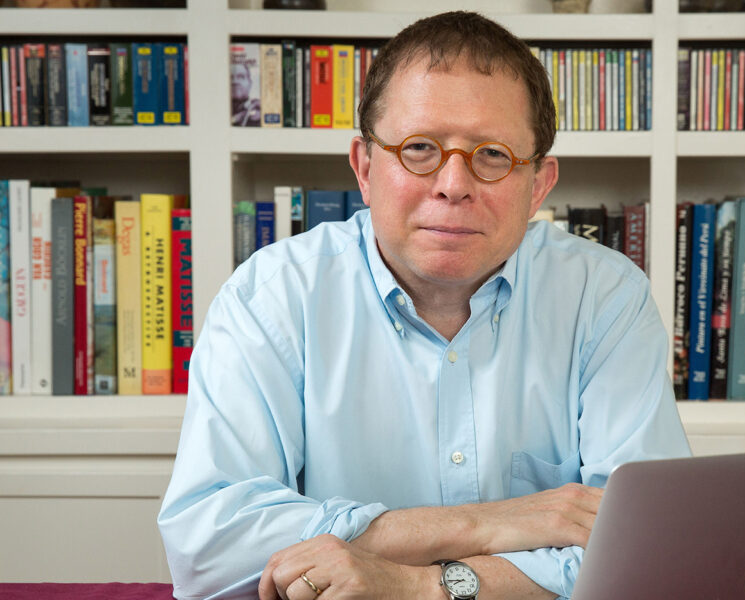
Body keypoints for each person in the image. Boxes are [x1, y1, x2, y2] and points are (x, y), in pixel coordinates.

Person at [159, 11, 691, 600]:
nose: (453, 183)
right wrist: (489, 523)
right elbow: (206, 550)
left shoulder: (605, 297)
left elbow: (651, 549)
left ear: (539, 184)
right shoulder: (271, 298)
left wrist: (416, 587)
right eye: (419, 148)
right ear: (365, 168)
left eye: (491, 155)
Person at [231, 61, 261, 126]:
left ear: (250, 83)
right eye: (230, 78)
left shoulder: (260, 110)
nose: (235, 81)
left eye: (241, 77)